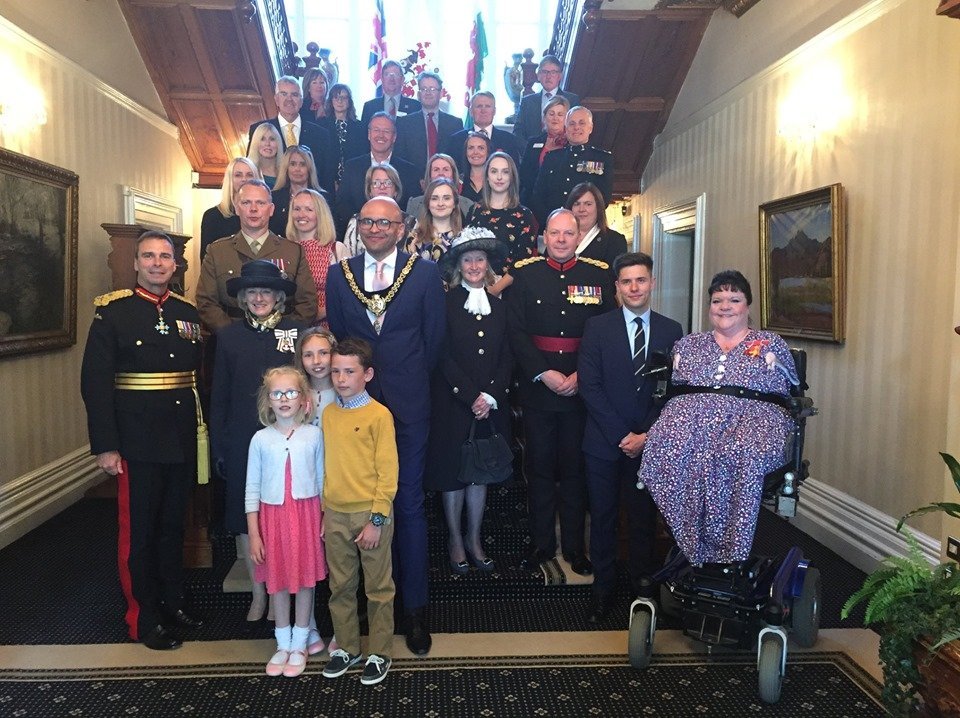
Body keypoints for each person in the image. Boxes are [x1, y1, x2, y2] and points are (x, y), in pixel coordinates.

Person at [325, 196, 446, 656]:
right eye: (368, 220)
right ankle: (358, 610)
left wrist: (408, 380)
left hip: (410, 406)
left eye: (385, 222)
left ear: (402, 228)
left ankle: (413, 611)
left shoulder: (426, 274)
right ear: (359, 225)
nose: (376, 228)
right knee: (356, 505)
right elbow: (342, 333)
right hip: (356, 409)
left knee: (409, 505)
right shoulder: (341, 275)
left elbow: (433, 341)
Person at [80, 230, 204, 650]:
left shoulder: (188, 312)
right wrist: (106, 445)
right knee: (139, 532)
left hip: (180, 436)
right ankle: (142, 616)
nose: (156, 263)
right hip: (135, 440)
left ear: (175, 264)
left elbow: (193, 377)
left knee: (172, 527)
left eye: (164, 257)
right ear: (135, 263)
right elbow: (95, 384)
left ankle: (173, 603)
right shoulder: (113, 313)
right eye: (148, 256)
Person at [637, 270, 799, 566]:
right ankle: (688, 537)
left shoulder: (769, 343)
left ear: (747, 306)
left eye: (734, 299)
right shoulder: (689, 344)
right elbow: (675, 387)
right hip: (693, 416)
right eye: (717, 300)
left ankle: (729, 551)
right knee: (669, 445)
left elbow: (791, 391)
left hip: (755, 416)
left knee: (739, 452)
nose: (725, 306)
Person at [505, 208, 614, 576]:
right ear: (545, 237)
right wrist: (542, 372)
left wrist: (582, 375)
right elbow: (516, 332)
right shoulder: (525, 274)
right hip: (539, 389)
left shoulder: (598, 274)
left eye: (569, 233)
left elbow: (604, 333)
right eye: (555, 233)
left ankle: (573, 547)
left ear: (579, 234)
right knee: (538, 469)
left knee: (574, 471)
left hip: (583, 390)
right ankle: (542, 543)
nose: (562, 239)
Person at [577, 252, 683, 623]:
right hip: (604, 443)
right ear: (617, 287)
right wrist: (622, 434)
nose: (634, 287)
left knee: (642, 519)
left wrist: (645, 435)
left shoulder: (673, 331)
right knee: (603, 518)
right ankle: (603, 589)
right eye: (626, 281)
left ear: (652, 282)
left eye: (641, 280)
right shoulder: (597, 327)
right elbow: (590, 387)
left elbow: (674, 391)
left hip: (649, 444)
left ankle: (643, 587)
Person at [210, 260, 305, 622]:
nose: (259, 297)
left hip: (288, 439)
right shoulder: (229, 337)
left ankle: (287, 588)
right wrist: (220, 445)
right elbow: (219, 395)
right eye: (252, 292)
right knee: (245, 514)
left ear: (279, 296)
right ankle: (259, 593)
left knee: (285, 513)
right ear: (243, 298)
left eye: (266, 291)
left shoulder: (296, 332)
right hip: (242, 441)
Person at [426, 228, 513, 574]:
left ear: (488, 264)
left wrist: (490, 395)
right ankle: (455, 539)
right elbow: (442, 355)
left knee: (481, 474)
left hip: (489, 405)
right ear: (458, 266)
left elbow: (508, 355)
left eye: (480, 259)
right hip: (453, 402)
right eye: (468, 260)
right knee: (454, 475)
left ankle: (475, 538)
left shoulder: (501, 307)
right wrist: (469, 394)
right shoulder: (444, 304)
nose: (475, 265)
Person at [321, 338, 399, 686]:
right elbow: (327, 467)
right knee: (340, 586)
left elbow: (388, 473)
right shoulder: (328, 413)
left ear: (367, 374)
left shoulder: (379, 415)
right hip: (336, 513)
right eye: (336, 371)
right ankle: (348, 647)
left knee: (378, 587)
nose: (340, 378)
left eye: (349, 371)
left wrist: (377, 520)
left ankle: (379, 652)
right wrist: (325, 512)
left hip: (370, 516)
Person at [245, 365, 325, 678]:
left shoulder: (313, 435)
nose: (284, 399)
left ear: (303, 398)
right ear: (268, 401)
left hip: (306, 516)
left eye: (291, 392)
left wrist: (324, 516)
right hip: (273, 518)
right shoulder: (260, 439)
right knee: (277, 579)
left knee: (305, 579)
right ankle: (282, 642)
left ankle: (301, 641)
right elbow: (251, 488)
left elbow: (322, 479)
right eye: (277, 393)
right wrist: (254, 533)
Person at [197, 180, 317, 333]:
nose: (253, 209)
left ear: (271, 209)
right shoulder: (217, 251)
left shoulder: (293, 252)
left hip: (281, 340)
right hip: (232, 338)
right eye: (246, 202)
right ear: (237, 208)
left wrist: (282, 331)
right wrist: (232, 333)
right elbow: (206, 302)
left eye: (260, 203)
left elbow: (307, 303)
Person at [464, 152, 538, 296]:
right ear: (487, 176)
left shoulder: (524, 215)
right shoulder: (475, 210)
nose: (499, 177)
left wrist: (496, 289)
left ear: (512, 177)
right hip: (473, 287)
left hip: (509, 291)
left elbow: (522, 261)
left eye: (505, 172)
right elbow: (465, 250)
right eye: (494, 171)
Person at [248, 75, 335, 192]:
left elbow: (327, 177)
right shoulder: (259, 130)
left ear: (301, 101)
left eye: (294, 95)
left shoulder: (321, 134)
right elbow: (250, 168)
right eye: (284, 94)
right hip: (272, 201)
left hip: (310, 203)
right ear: (276, 99)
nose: (289, 99)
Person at [531, 106, 614, 228]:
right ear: (566, 128)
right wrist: (553, 223)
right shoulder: (552, 158)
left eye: (582, 123)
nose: (576, 127)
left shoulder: (602, 158)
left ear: (590, 128)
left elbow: (604, 198)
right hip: (557, 227)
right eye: (571, 123)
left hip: (587, 228)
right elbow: (538, 196)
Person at [336, 112, 419, 229]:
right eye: (376, 130)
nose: (381, 135)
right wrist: (365, 225)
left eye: (386, 131)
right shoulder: (352, 167)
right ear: (369, 134)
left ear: (394, 137)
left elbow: (413, 209)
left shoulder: (409, 171)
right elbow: (342, 204)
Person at [287, 188, 349, 325]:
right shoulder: (285, 250)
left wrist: (314, 315)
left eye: (309, 209)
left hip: (328, 326)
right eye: (297, 209)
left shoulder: (336, 249)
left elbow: (348, 293)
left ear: (320, 214)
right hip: (292, 325)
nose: (301, 214)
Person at [394, 71, 463, 180]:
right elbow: (400, 158)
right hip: (413, 184)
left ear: (440, 94)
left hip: (446, 183)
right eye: (424, 89)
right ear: (418, 95)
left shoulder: (455, 124)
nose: (428, 93)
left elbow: (458, 159)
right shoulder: (404, 123)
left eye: (432, 89)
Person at [341, 163, 415, 257]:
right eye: (376, 183)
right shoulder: (356, 221)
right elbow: (348, 259)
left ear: (396, 190)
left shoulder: (411, 222)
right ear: (369, 191)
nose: (382, 187)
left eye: (388, 183)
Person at [442, 91, 523, 176]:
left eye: (487, 106)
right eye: (479, 106)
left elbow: (515, 173)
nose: (483, 110)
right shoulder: (456, 140)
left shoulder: (509, 140)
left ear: (494, 111)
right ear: (471, 111)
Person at [200, 157, 260, 260]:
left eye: (249, 175)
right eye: (238, 175)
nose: (244, 179)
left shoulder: (264, 214)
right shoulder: (212, 216)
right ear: (230, 179)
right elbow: (205, 260)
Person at [512, 54, 581, 143]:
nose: (548, 76)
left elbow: (575, 130)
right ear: (538, 75)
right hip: (531, 152)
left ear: (559, 76)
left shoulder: (572, 100)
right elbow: (518, 131)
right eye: (544, 72)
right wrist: (528, 151)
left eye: (553, 72)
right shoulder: (527, 101)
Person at [518, 95, 570, 208]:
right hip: (532, 202)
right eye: (551, 114)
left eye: (560, 114)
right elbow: (524, 174)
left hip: (563, 205)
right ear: (544, 117)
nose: (555, 118)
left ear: (567, 119)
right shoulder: (533, 142)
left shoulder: (571, 144)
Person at [270, 145, 332, 237]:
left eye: (303, 164)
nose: (297, 169)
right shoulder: (274, 198)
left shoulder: (324, 198)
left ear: (309, 169)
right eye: (293, 164)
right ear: (286, 168)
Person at [565, 182, 628, 267]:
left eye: (588, 204)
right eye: (577, 204)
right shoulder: (559, 238)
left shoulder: (615, 241)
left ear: (598, 208)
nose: (581, 209)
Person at [318, 83, 369, 187]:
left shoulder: (360, 127)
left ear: (349, 101)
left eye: (344, 98)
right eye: (336, 97)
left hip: (354, 179)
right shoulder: (321, 125)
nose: (339, 101)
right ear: (331, 101)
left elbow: (363, 154)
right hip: (327, 179)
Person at [404, 178, 461, 263]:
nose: (440, 203)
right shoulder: (414, 239)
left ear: (454, 204)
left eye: (446, 198)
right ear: (428, 203)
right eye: (434, 198)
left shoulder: (463, 238)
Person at [405, 153, 474, 218]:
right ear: (429, 175)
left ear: (453, 175)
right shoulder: (414, 204)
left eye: (446, 169)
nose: (441, 173)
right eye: (436, 170)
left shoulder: (467, 204)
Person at [360, 59, 421, 125]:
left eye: (396, 74)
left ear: (402, 79)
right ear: (382, 79)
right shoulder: (369, 107)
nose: (391, 78)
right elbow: (364, 133)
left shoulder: (415, 106)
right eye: (387, 74)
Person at [459, 131, 491, 204]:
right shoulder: (458, 181)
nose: (475, 152)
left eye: (481, 148)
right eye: (471, 148)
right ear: (466, 152)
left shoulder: (496, 180)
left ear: (488, 152)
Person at [247, 122, 282, 188]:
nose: (267, 144)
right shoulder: (248, 171)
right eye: (262, 139)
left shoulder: (286, 172)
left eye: (272, 139)